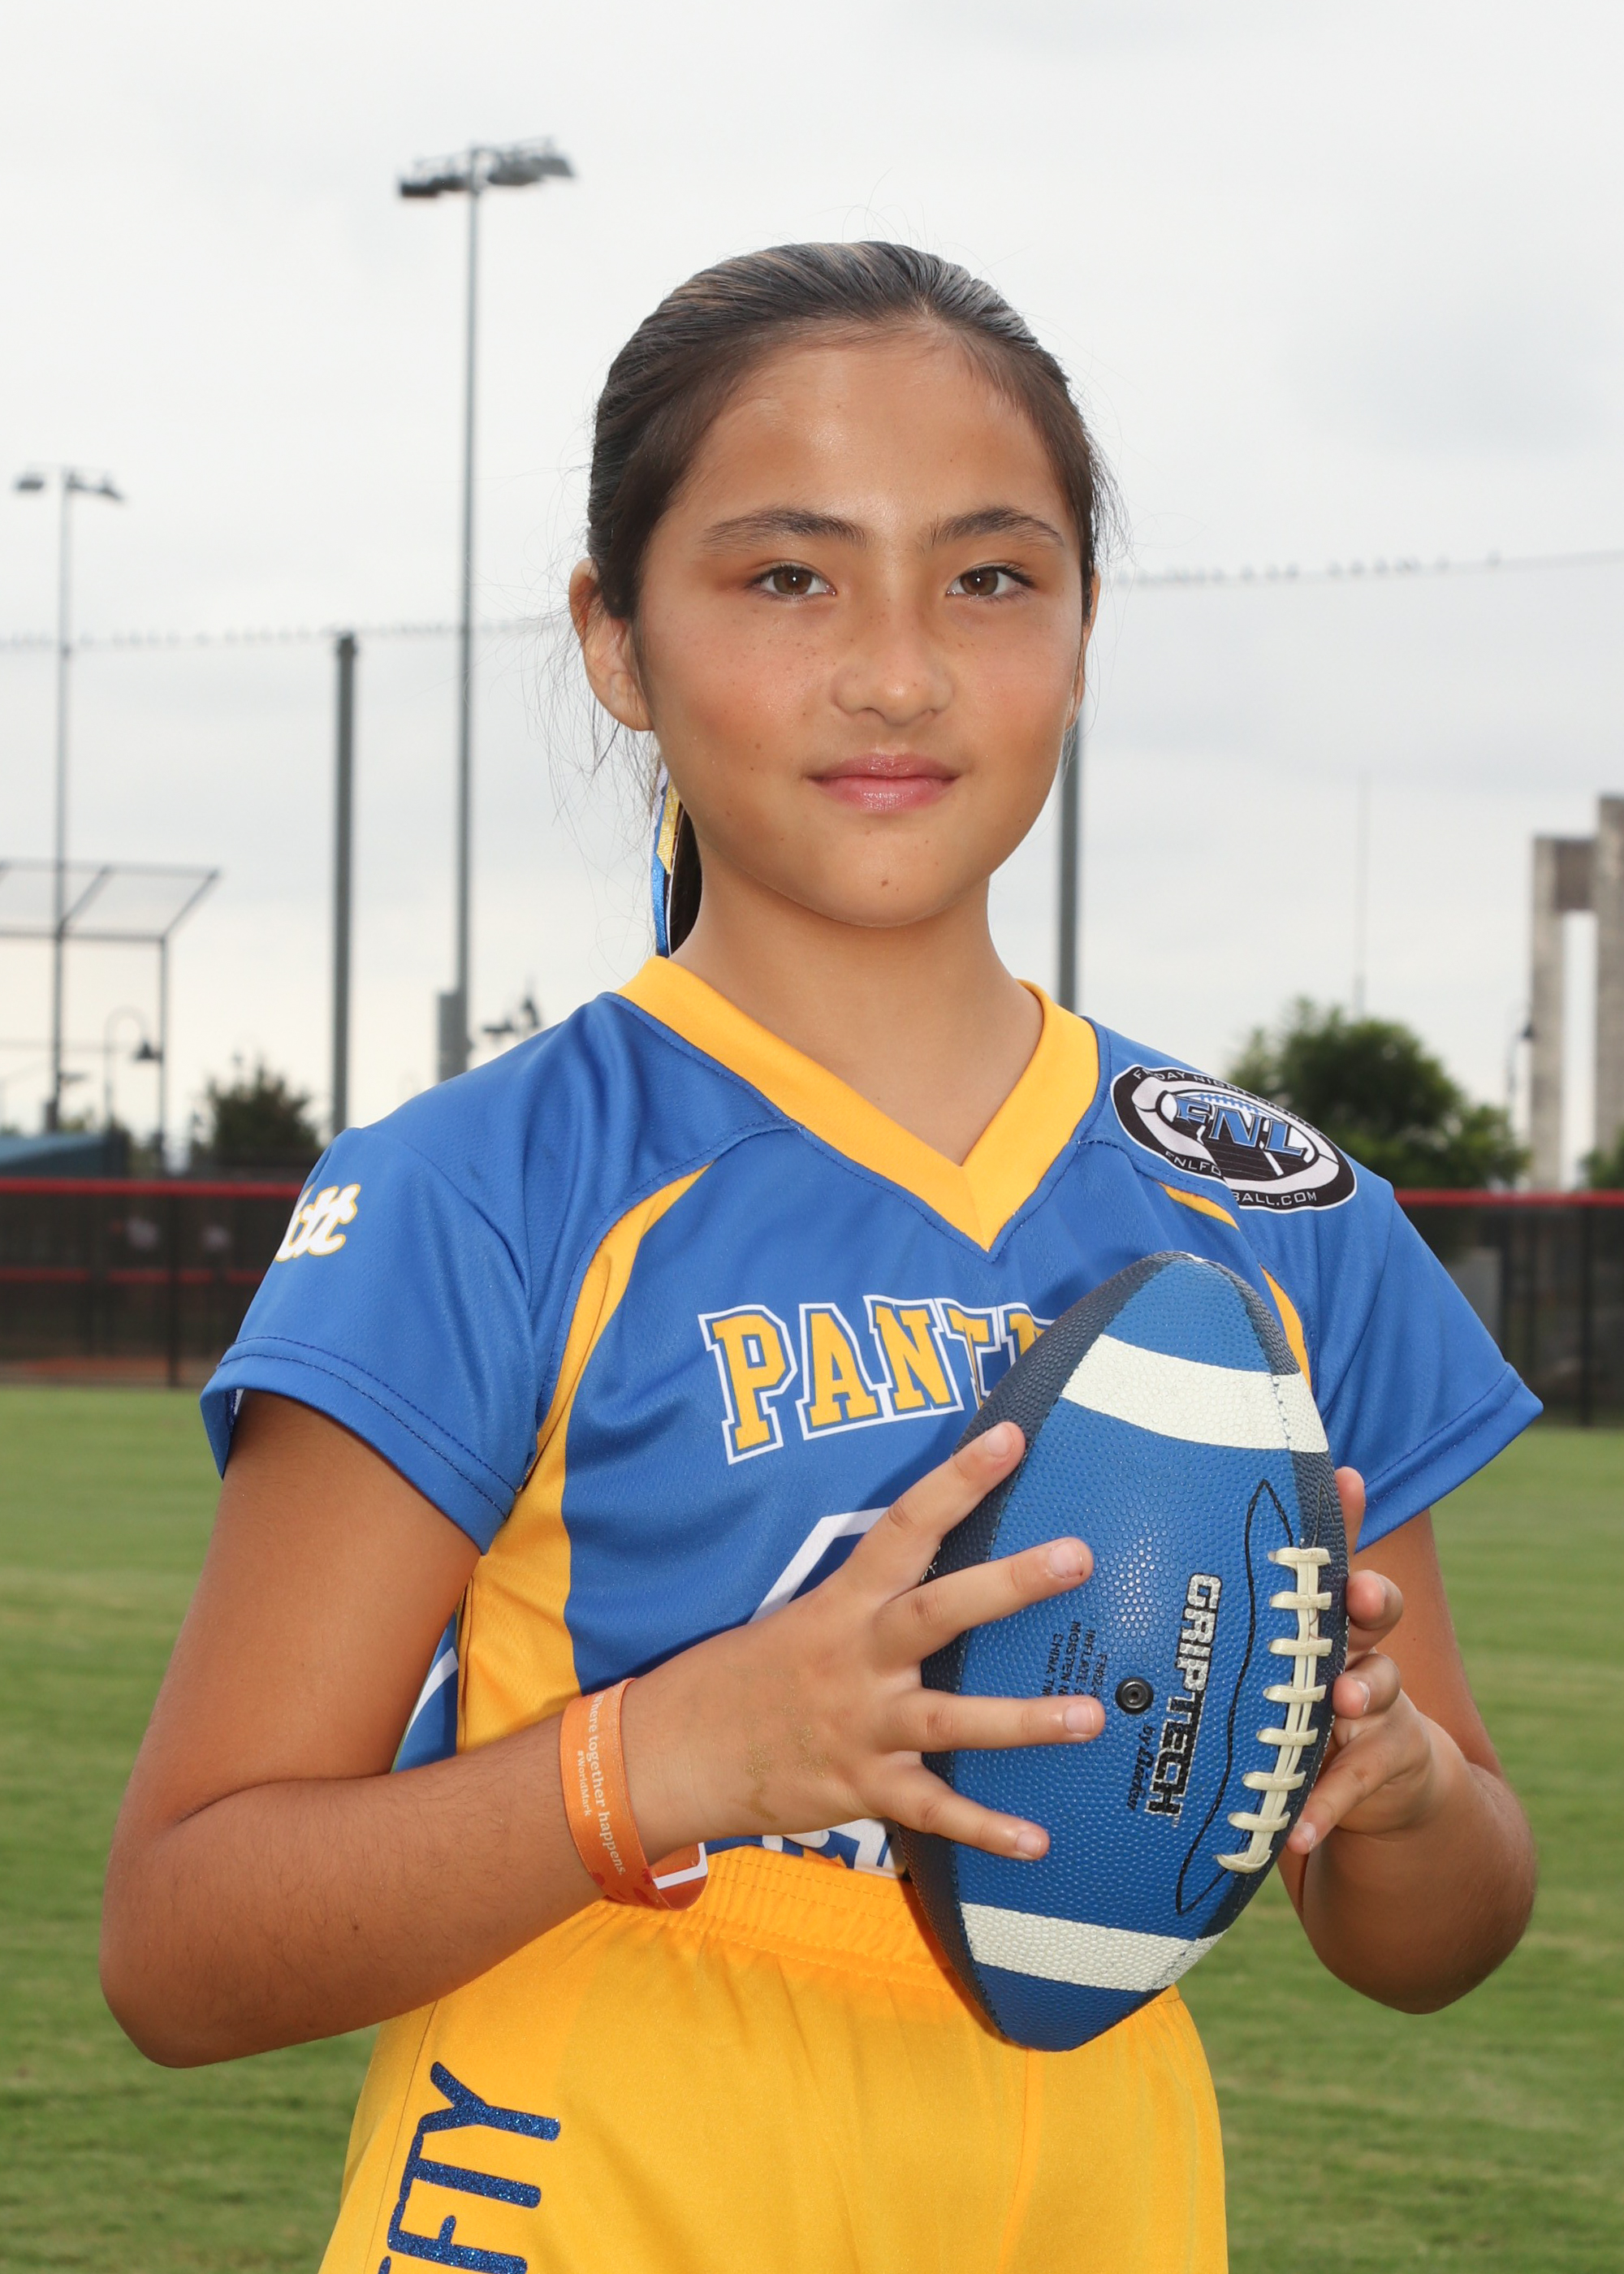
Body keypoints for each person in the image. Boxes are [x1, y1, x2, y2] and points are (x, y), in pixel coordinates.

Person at [102, 243, 1538, 2274]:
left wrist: (1393, 1791)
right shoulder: (487, 1189)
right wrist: (674, 1751)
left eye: (990, 575)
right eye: (789, 576)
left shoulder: (1274, 1208)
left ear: (1084, 630)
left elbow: (1436, 1933)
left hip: (1091, 2201)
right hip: (590, 2186)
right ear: (615, 639)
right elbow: (179, 1943)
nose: (897, 669)